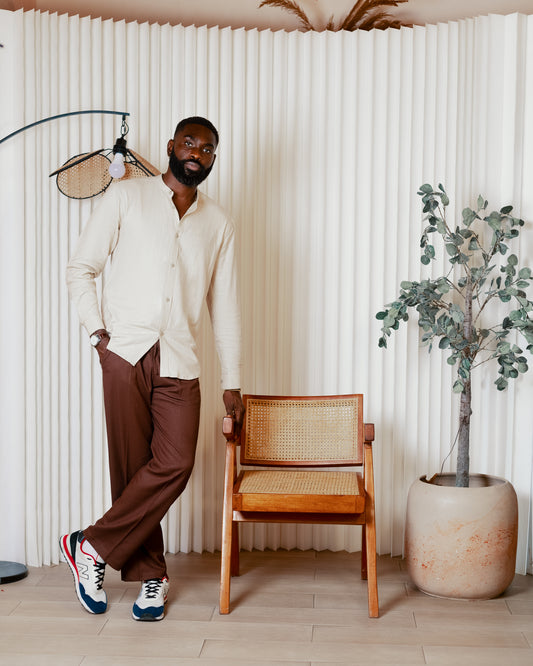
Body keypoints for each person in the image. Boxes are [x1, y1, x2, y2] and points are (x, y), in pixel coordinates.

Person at [60, 116, 244, 622]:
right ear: (171, 146)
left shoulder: (219, 224)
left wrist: (233, 382)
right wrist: (98, 333)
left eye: (207, 148)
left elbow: (224, 307)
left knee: (175, 463)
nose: (196, 153)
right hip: (124, 352)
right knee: (130, 466)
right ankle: (152, 576)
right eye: (189, 142)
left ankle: (90, 546)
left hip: (180, 359)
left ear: (212, 158)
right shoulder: (127, 197)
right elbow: (82, 267)